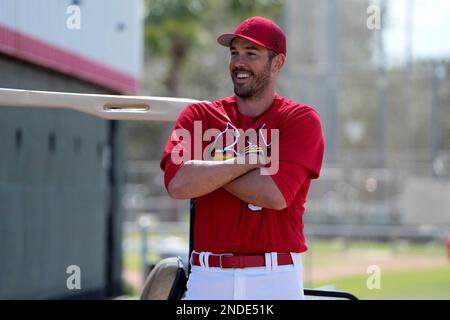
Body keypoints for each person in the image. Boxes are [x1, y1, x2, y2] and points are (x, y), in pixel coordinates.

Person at [160, 16, 325, 300]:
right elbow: (178, 183)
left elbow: (274, 194)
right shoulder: (199, 115)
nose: (239, 62)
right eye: (234, 53)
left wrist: (209, 167)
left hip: (274, 278)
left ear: (277, 63)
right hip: (207, 277)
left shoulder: (299, 119)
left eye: (252, 54)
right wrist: (247, 160)